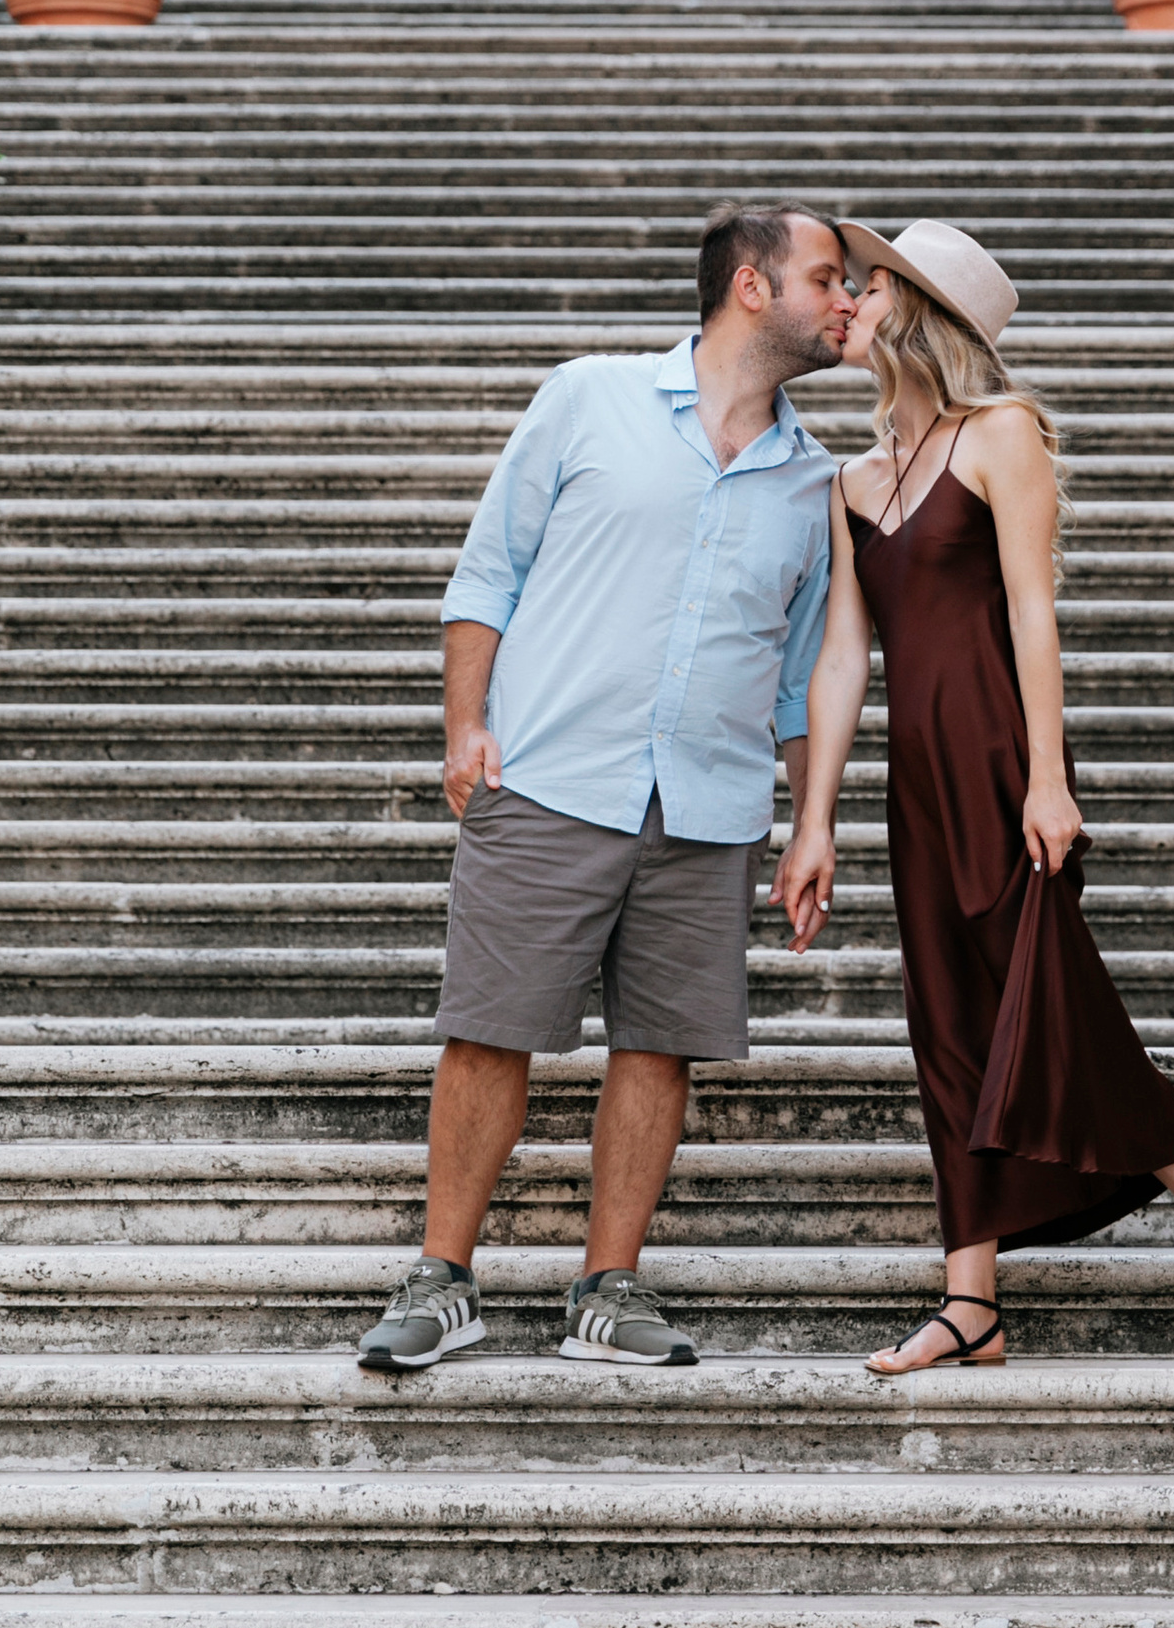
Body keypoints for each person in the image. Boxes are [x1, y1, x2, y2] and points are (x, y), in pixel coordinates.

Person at [775, 217, 1174, 1376]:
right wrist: (812, 819)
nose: (850, 302)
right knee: (948, 1031)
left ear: (916, 311)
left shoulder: (998, 432)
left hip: (1003, 772)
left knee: (1063, 1013)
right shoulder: (853, 483)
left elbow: (1031, 612)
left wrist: (1049, 780)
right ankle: (972, 1301)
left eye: (869, 288)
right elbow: (839, 659)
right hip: (916, 790)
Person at [358, 203, 851, 1376]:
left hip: (709, 806)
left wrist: (809, 823)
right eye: (827, 279)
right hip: (550, 775)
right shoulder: (587, 397)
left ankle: (608, 1288)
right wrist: (464, 726)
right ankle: (443, 1279)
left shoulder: (815, 481)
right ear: (749, 287)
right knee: (488, 1031)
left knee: (662, 1046)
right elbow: (490, 569)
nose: (846, 304)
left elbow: (801, 677)